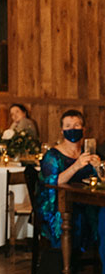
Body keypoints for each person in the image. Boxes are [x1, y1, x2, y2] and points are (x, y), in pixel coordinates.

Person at [36, 109, 103, 261]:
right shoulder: (53, 155)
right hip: (57, 204)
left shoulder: (90, 152)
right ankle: (67, 266)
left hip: (88, 201)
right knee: (75, 217)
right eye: (68, 126)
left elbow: (101, 181)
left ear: (83, 129)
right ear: (62, 130)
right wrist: (76, 166)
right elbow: (52, 183)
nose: (73, 129)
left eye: (77, 125)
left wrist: (99, 167)